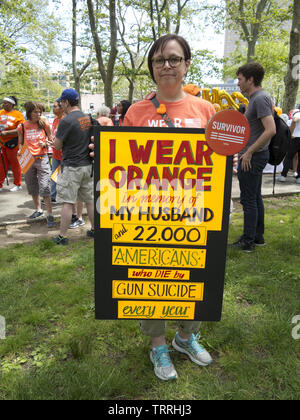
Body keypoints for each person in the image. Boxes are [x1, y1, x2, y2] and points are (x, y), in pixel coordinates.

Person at [123, 34, 216, 381]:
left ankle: (185, 337)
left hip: (195, 215)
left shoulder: (206, 111)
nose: (167, 66)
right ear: (151, 67)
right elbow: (122, 167)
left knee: (195, 279)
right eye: (159, 60)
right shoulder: (136, 112)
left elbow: (218, 166)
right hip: (147, 217)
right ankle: (158, 345)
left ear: (187, 64)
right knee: (151, 282)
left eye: (174, 59)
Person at [231, 62, 276, 252]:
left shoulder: (260, 98)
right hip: (253, 155)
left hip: (253, 157)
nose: (238, 83)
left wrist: (248, 152)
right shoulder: (257, 98)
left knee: (248, 199)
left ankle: (248, 242)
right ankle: (257, 237)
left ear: (251, 79)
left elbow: (270, 130)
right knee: (255, 197)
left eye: (240, 79)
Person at [52, 88, 94, 245]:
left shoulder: (66, 120)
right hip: (87, 166)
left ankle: (62, 237)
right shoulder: (87, 117)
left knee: (68, 202)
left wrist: (53, 141)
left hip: (72, 167)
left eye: (61, 102)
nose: (61, 105)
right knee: (90, 200)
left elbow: (57, 145)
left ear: (67, 102)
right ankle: (94, 230)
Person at [17, 101, 55, 227]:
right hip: (28, 159)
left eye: (40, 112)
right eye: (35, 112)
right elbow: (21, 144)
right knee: (32, 185)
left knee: (44, 186)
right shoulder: (22, 126)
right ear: (29, 112)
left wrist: (45, 144)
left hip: (42, 158)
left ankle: (49, 214)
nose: (38, 114)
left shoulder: (44, 124)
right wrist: (19, 152)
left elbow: (51, 141)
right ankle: (38, 210)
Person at [0, 96, 25, 192]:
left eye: (6, 103)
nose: (4, 104)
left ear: (12, 104)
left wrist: (8, 133)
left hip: (13, 143)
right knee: (2, 165)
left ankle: (17, 184)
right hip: (2, 143)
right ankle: (0, 184)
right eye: (3, 102)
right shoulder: (0, 112)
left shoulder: (18, 115)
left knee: (15, 164)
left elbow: (21, 129)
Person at [276, 106, 300, 184]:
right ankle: (298, 177)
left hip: (295, 139)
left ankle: (283, 176)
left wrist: (290, 133)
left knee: (288, 157)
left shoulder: (297, 114)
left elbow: (294, 120)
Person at [50, 101, 64, 202]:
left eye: (55, 107)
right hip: (55, 153)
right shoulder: (55, 120)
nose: (53, 108)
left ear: (61, 108)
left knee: (63, 177)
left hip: (64, 154)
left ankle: (62, 197)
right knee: (54, 175)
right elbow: (53, 135)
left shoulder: (64, 120)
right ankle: (53, 196)